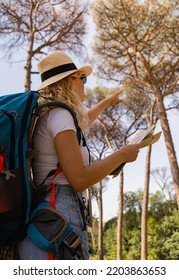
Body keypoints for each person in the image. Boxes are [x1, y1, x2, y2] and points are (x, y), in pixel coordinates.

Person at [18, 51, 140, 260]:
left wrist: (106, 102)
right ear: (68, 81)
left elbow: (84, 121)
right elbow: (79, 178)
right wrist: (121, 155)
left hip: (47, 214)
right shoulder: (60, 115)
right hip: (61, 210)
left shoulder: (49, 113)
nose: (85, 83)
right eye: (81, 78)